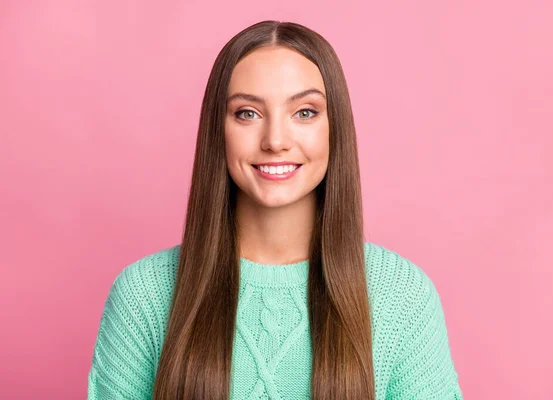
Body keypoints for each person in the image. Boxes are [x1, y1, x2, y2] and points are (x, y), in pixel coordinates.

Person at [87, 20, 463, 400]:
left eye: (304, 112)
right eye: (248, 113)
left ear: (336, 128)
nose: (276, 141)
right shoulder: (144, 295)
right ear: (218, 130)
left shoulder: (401, 296)